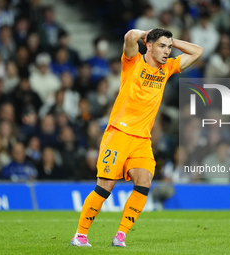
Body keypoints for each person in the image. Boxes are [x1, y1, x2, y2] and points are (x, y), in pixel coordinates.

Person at [70, 28, 203, 247]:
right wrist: (148, 34)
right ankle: (80, 235)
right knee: (105, 186)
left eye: (169, 48)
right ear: (148, 45)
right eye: (161, 46)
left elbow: (197, 52)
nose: (167, 52)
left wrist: (172, 41)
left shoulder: (167, 68)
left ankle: (121, 235)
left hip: (142, 139)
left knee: (144, 182)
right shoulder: (132, 62)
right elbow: (130, 36)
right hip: (119, 133)